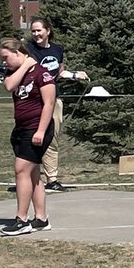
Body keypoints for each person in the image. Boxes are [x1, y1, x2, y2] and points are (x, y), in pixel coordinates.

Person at [0, 37, 57, 236]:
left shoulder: (42, 73)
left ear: (18, 52)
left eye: (6, 57)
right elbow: (8, 86)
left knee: (21, 170)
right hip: (21, 128)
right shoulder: (15, 72)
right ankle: (41, 218)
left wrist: (40, 131)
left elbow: (49, 103)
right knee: (33, 174)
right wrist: (25, 66)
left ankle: (21, 219)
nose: (3, 62)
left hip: (37, 128)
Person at [26, 17, 89, 193]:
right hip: (35, 100)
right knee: (34, 137)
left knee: (52, 139)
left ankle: (52, 179)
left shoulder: (57, 49)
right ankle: (31, 177)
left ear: (48, 31)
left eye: (39, 30)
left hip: (54, 99)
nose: (36, 34)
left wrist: (75, 75)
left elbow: (60, 72)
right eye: (33, 31)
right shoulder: (29, 50)